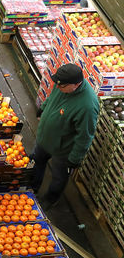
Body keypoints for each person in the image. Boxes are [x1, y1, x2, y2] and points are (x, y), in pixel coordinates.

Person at [32, 63, 99, 210]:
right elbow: (52, 98)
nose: (58, 87)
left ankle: (51, 198)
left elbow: (85, 136)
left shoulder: (87, 106)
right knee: (37, 161)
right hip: (45, 138)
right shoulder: (63, 85)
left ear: (75, 85)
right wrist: (43, 109)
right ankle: (32, 188)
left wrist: (75, 159)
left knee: (59, 176)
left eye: (62, 86)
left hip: (62, 149)